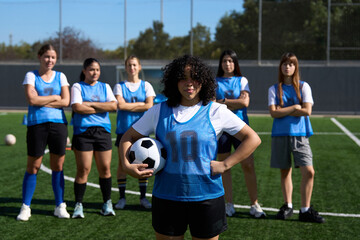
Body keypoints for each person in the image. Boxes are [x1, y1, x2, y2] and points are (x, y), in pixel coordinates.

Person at [119, 55, 261, 240]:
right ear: (174, 81)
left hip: (207, 196)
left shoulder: (215, 110)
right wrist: (126, 165)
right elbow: (127, 137)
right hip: (167, 196)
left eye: (194, 77)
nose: (189, 83)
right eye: (183, 78)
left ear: (203, 80)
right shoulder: (158, 111)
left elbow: (253, 138)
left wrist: (226, 164)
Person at [268, 52, 324, 223]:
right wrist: (294, 107)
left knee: (309, 171)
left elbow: (307, 111)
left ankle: (305, 209)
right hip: (280, 134)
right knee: (285, 171)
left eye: (291, 64)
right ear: (280, 67)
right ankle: (288, 205)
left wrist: (282, 110)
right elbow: (273, 113)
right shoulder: (273, 89)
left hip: (300, 135)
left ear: (295, 67)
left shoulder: (304, 86)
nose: (287, 67)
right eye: (284, 64)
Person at [17, 44, 70, 221]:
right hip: (36, 125)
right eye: (47, 56)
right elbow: (32, 99)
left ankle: (60, 205)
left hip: (58, 125)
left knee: (58, 166)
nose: (50, 60)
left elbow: (66, 101)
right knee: (33, 166)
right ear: (40, 57)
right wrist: (55, 97)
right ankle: (26, 207)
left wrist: (43, 100)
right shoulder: (31, 76)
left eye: (53, 57)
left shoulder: (61, 76)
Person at [215, 49, 266, 218]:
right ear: (220, 64)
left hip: (240, 127)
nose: (227, 64)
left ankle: (254, 204)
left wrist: (223, 102)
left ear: (235, 63)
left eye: (230, 61)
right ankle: (229, 204)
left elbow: (244, 102)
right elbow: (213, 104)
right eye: (224, 61)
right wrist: (231, 103)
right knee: (225, 167)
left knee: (248, 165)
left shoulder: (242, 80)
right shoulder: (215, 82)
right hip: (221, 129)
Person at [70, 58, 117, 218]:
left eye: (97, 70)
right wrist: (101, 107)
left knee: (105, 168)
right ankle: (78, 204)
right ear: (84, 71)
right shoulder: (77, 86)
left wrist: (89, 104)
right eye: (91, 69)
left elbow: (113, 106)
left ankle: (107, 203)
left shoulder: (105, 87)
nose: (94, 72)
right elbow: (77, 107)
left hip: (102, 132)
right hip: (83, 133)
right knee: (84, 169)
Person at [113, 55, 156, 209]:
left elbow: (149, 105)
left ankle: (143, 198)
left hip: (142, 131)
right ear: (125, 68)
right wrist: (140, 104)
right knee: (122, 164)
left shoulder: (146, 86)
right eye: (129, 65)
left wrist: (129, 105)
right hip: (123, 131)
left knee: (144, 163)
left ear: (139, 67)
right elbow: (121, 106)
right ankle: (122, 198)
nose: (132, 68)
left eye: (134, 65)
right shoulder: (119, 86)